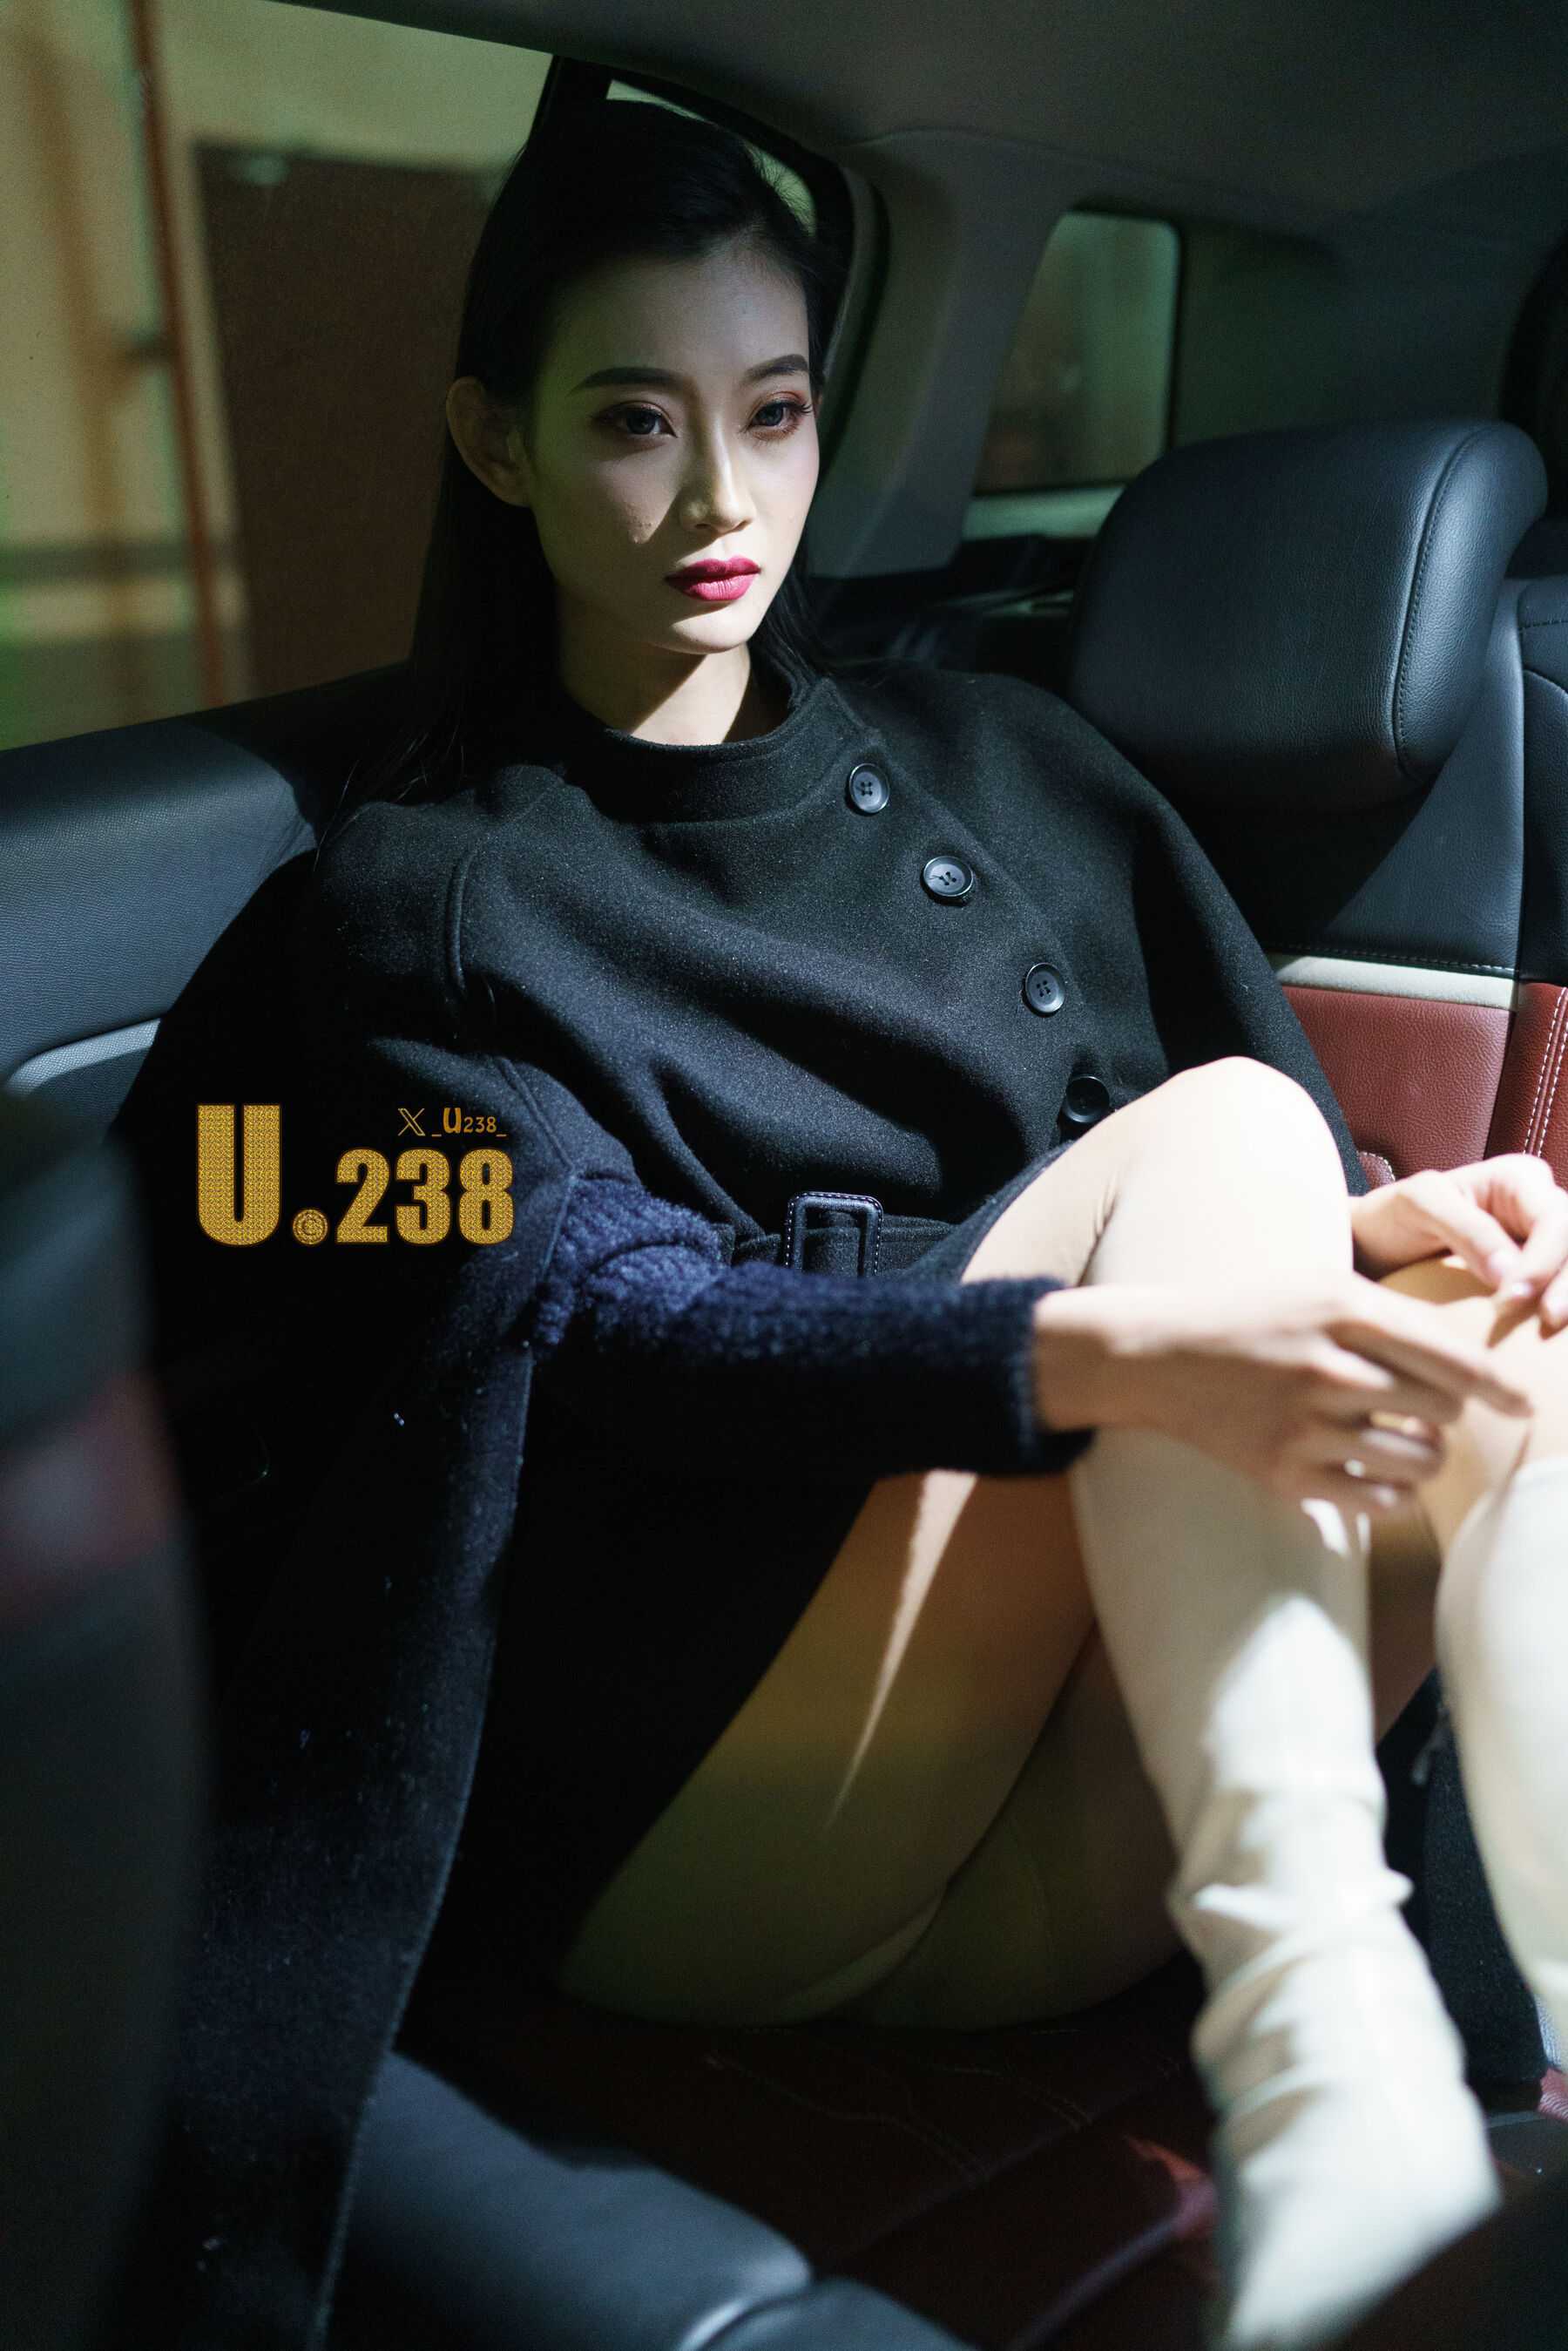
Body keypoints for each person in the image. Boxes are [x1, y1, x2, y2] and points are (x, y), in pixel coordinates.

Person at [113, 99, 1568, 2351]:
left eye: (774, 413)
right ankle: (1317, 2010)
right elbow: (609, 1311)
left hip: (1034, 1864)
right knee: (1223, 1136)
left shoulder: (1010, 760)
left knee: (1495, 1325)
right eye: (635, 422)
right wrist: (1093, 1349)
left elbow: (1233, 1204)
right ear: (496, 445)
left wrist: (1392, 1231)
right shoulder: (426, 904)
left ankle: (1508, 2059)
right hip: (714, 1834)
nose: (722, 497)